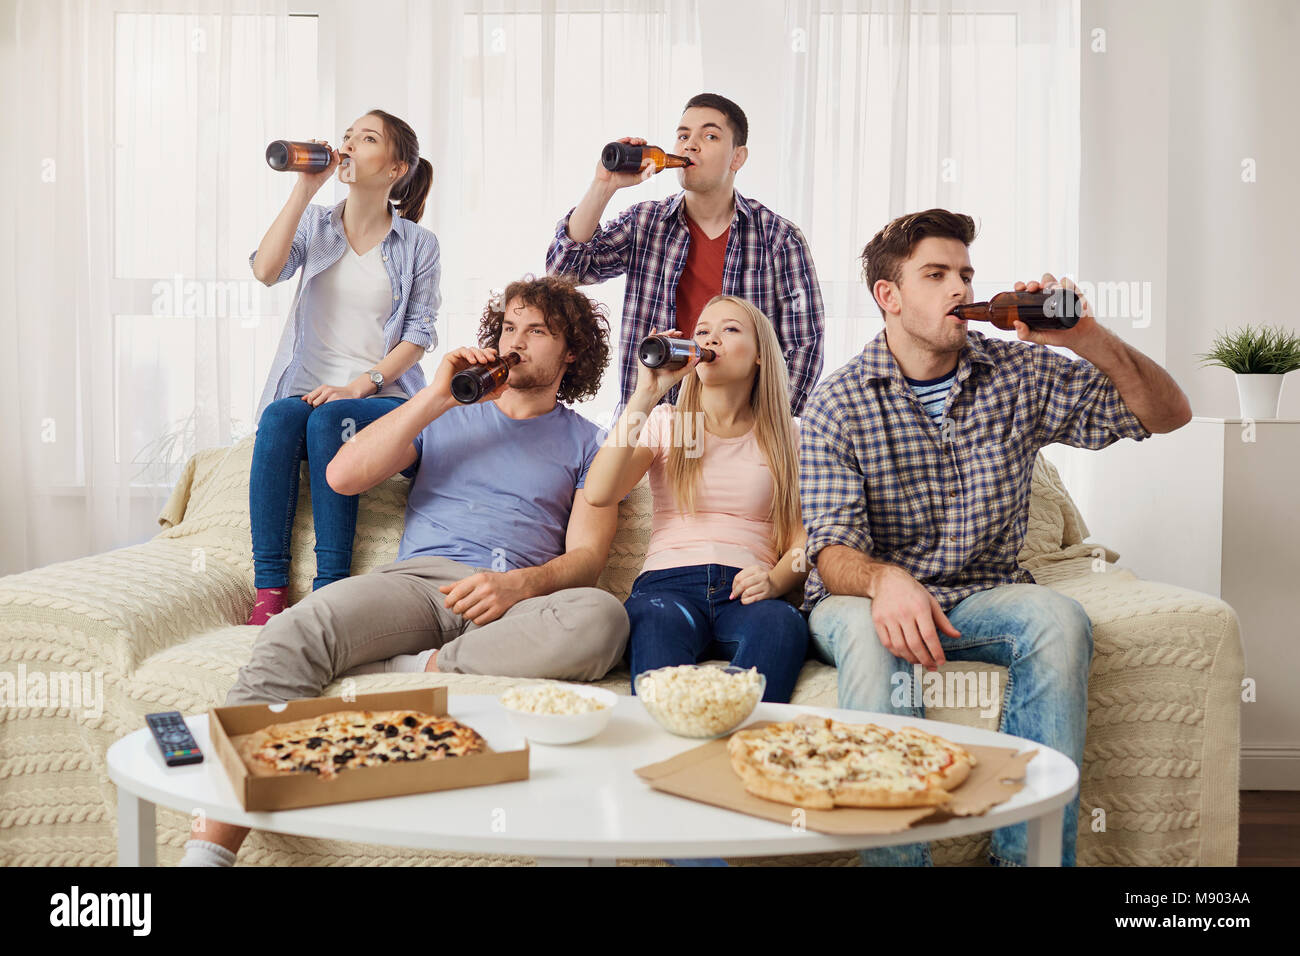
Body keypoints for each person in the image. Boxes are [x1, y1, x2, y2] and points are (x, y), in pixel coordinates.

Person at [180, 275, 629, 866]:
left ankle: (417, 667)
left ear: (571, 353)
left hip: (512, 606)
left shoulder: (591, 443)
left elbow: (589, 559)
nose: (515, 341)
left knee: (603, 619)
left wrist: (518, 583)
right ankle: (210, 851)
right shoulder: (441, 414)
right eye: (509, 328)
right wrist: (437, 397)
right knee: (295, 629)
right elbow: (343, 476)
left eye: (536, 331)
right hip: (417, 587)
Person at [799, 208, 1193, 867]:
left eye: (965, 273)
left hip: (981, 592)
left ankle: (1029, 859)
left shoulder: (1017, 374)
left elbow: (1168, 413)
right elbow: (833, 552)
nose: (959, 288)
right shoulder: (838, 402)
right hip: (866, 599)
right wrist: (885, 581)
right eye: (936, 274)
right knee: (874, 635)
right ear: (888, 297)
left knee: (1057, 621)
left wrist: (1089, 338)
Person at [245, 109, 441, 625]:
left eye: (367, 138)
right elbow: (266, 271)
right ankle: (269, 592)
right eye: (347, 136)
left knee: (334, 419)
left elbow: (419, 333)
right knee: (280, 418)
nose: (349, 145)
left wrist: (360, 384)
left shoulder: (418, 243)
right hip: (306, 388)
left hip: (379, 393)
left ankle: (330, 588)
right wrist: (305, 190)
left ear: (396, 168)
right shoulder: (316, 224)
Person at [584, 295, 809, 704]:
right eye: (703, 331)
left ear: (760, 356)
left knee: (783, 623)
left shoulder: (787, 435)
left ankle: (739, 742)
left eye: (730, 329)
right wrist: (645, 394)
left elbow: (802, 542)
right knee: (653, 624)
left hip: (748, 590)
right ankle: (667, 745)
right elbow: (600, 493)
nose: (711, 339)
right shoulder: (670, 423)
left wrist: (776, 580)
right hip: (666, 588)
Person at [546, 92, 824, 417]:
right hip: (648, 423)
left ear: (738, 157)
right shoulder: (645, 222)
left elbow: (805, 345)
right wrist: (604, 185)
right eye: (682, 135)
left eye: (709, 135)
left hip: (736, 425)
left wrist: (759, 425)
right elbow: (564, 271)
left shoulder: (779, 238)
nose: (690, 145)